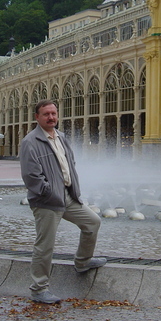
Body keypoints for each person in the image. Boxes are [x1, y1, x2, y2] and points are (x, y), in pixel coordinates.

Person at [20, 99, 105, 304]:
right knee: (45, 245)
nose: (51, 117)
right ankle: (39, 289)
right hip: (47, 201)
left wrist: (72, 189)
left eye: (54, 113)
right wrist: (48, 192)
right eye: (46, 114)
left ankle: (83, 261)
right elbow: (31, 176)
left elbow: (70, 164)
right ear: (37, 117)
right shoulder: (30, 142)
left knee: (92, 222)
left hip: (67, 195)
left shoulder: (61, 137)